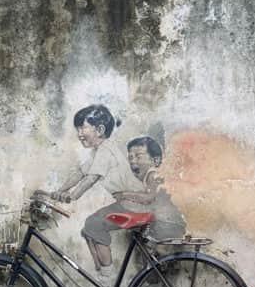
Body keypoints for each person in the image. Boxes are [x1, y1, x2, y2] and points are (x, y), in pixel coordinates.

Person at [50, 105, 144, 275]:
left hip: (135, 204)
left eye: (83, 128)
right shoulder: (97, 151)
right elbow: (80, 173)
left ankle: (108, 277)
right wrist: (59, 190)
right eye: (77, 129)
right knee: (89, 229)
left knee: (94, 225)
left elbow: (91, 178)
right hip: (128, 203)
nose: (79, 133)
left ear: (99, 130)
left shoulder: (106, 150)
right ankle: (101, 272)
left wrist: (72, 196)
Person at [112, 136, 186, 242]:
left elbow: (149, 198)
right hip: (168, 222)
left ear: (155, 160)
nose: (133, 161)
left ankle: (155, 258)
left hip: (168, 224)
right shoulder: (152, 176)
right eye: (130, 157)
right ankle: (154, 258)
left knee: (137, 236)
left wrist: (124, 195)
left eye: (138, 156)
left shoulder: (153, 175)